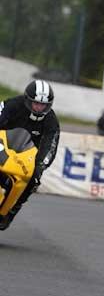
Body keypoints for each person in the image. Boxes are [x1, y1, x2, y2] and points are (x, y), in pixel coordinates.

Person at [0, 80, 60, 230]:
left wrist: (41, 165)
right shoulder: (13, 105)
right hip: (3, 145)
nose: (39, 108)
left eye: (43, 105)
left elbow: (50, 147)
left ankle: (12, 209)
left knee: (34, 179)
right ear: (28, 100)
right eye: (36, 103)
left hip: (27, 155)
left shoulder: (51, 121)